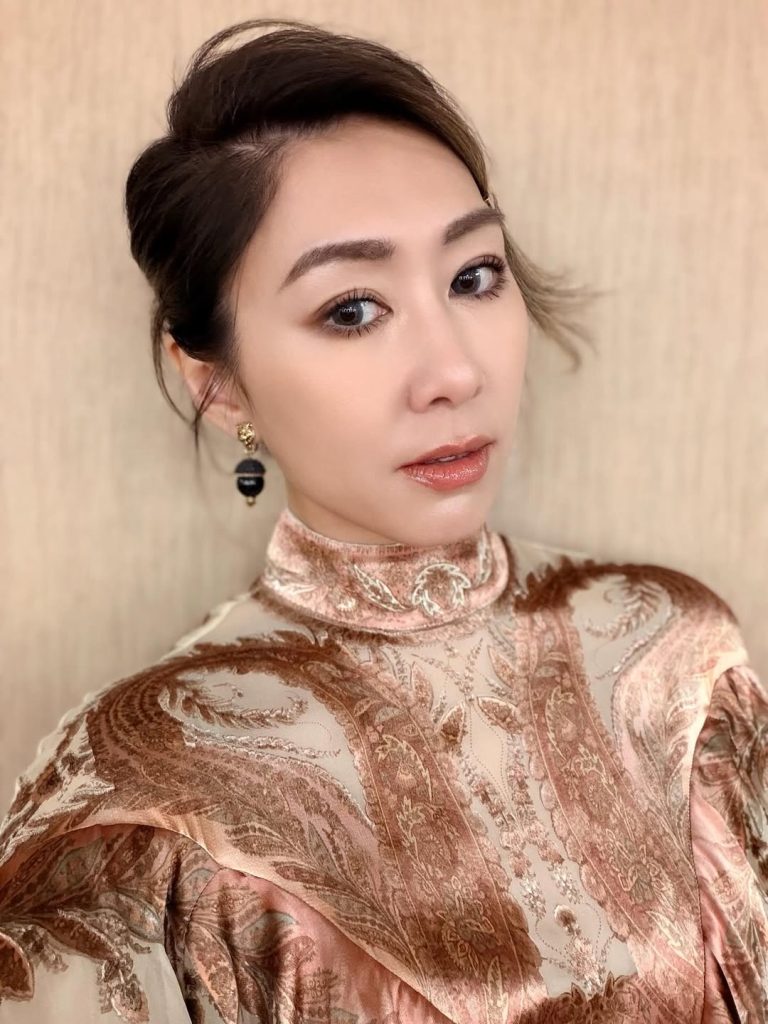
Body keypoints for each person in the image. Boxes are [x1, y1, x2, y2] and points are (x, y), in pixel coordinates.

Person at [0, 15, 765, 1024]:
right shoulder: (138, 793)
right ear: (218, 384)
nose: (454, 371)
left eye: (473, 277)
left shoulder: (672, 655)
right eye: (352, 309)